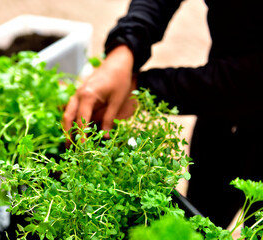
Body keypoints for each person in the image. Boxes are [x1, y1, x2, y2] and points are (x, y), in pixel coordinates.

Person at [63, 0, 263, 229]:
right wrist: (126, 47)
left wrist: (147, 89)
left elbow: (253, 80)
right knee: (200, 220)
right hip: (219, 117)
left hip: (229, 92)